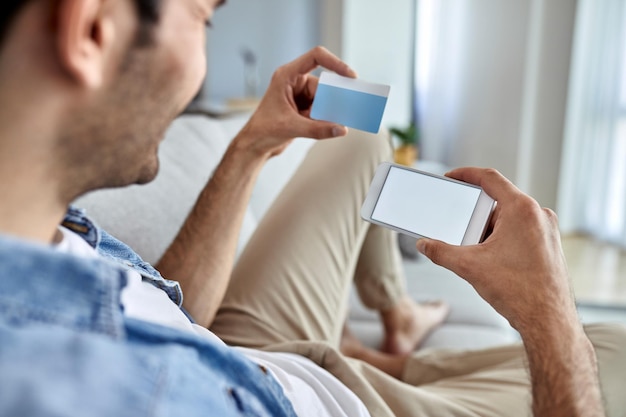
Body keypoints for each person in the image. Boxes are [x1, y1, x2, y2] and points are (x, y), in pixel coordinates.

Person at [0, 0, 624, 416]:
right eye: (203, 18)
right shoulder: (91, 391)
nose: (203, 57)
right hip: (317, 401)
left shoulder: (35, 228)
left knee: (354, 124)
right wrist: (547, 318)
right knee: (610, 353)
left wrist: (251, 146)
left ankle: (397, 318)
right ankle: (393, 357)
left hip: (243, 352)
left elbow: (169, 312)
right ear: (92, 30)